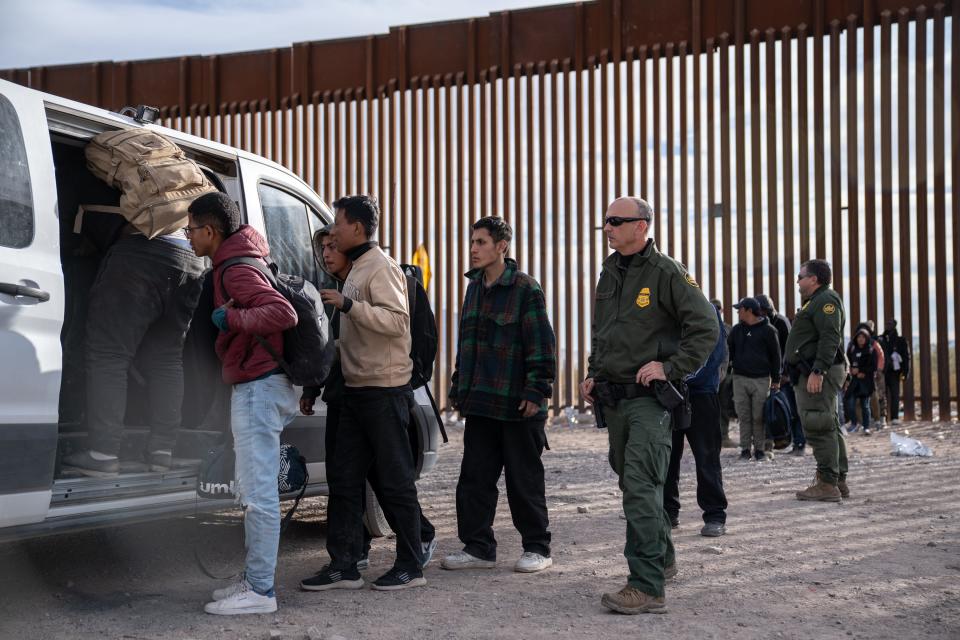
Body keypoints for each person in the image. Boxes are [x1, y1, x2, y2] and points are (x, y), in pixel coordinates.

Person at [580, 196, 717, 615]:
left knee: (640, 485)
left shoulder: (667, 273)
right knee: (632, 482)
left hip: (648, 403)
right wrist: (593, 371)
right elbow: (604, 332)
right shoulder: (609, 273)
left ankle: (647, 586)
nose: (607, 227)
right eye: (605, 220)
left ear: (641, 226)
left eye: (616, 221)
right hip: (615, 399)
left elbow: (706, 327)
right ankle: (663, 558)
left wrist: (672, 367)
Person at [304, 195, 428, 591]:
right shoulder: (358, 269)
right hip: (357, 392)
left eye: (338, 222)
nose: (333, 230)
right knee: (344, 479)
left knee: (394, 481)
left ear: (357, 227)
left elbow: (397, 322)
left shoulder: (380, 267)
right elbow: (352, 339)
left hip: (384, 392)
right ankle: (344, 566)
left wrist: (349, 304)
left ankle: (411, 565)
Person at [185, 192, 299, 615]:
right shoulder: (238, 261)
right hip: (261, 383)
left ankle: (261, 593)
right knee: (255, 489)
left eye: (190, 228)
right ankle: (254, 579)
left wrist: (229, 319)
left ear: (210, 231)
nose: (188, 236)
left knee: (258, 494)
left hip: (259, 386)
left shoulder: (233, 270)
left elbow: (282, 313)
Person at [441, 216, 557, 574]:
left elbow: (542, 345)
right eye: (472, 242)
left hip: (517, 405)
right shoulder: (474, 288)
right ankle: (478, 547)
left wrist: (537, 390)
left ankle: (537, 548)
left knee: (524, 481)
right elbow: (468, 344)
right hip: (481, 402)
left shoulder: (525, 289)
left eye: (481, 242)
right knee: (474, 479)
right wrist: (460, 387)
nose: (473, 249)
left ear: (501, 246)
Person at [61, 208, 205, 477]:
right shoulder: (181, 171)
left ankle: (102, 454)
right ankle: (162, 451)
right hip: (190, 256)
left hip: (141, 250)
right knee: (167, 359)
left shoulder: (116, 163)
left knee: (109, 354)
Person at [784, 259, 849, 502]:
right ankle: (837, 479)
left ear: (814, 279)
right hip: (814, 370)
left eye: (800, 276)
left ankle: (827, 484)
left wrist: (818, 370)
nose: (797, 281)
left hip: (817, 372)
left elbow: (830, 337)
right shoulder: (816, 301)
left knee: (818, 423)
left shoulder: (826, 301)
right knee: (828, 423)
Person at [663, 302, 729, 537]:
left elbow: (715, 352)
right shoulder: (662, 308)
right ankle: (668, 512)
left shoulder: (705, 309)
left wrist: (680, 376)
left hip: (700, 395)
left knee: (707, 456)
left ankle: (715, 515)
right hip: (669, 393)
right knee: (667, 456)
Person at [727, 297, 781, 462]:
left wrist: (776, 379)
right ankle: (745, 449)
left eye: (740, 309)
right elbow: (729, 351)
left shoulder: (769, 330)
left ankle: (759, 450)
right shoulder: (736, 330)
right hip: (740, 378)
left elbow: (776, 357)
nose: (737, 312)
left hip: (762, 379)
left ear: (749, 311)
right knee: (744, 416)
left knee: (759, 416)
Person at [756, 294, 804, 454]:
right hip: (770, 375)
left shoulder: (781, 323)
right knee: (773, 411)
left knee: (792, 409)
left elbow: (788, 351)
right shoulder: (761, 324)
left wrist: (783, 374)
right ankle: (781, 442)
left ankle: (800, 443)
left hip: (786, 374)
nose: (760, 313)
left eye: (762, 310)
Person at [712, 298, 737, 449]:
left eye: (718, 308)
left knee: (724, 406)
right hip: (709, 374)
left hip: (725, 374)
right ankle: (713, 436)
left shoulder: (728, 329)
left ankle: (724, 435)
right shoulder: (706, 327)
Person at [878, 319, 910, 424]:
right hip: (883, 372)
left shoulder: (900, 340)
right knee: (882, 394)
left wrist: (905, 372)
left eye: (890, 324)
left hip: (895, 372)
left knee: (895, 394)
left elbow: (906, 357)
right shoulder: (881, 339)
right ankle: (883, 417)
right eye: (887, 323)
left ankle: (895, 417)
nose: (888, 325)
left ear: (895, 326)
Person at [844, 328, 876, 435]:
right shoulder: (852, 349)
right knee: (850, 403)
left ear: (867, 338)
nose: (861, 339)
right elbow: (847, 362)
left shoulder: (871, 350)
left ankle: (866, 427)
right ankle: (854, 423)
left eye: (863, 337)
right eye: (859, 337)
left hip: (866, 383)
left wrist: (862, 371)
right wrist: (850, 371)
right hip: (854, 382)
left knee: (865, 405)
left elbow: (873, 366)